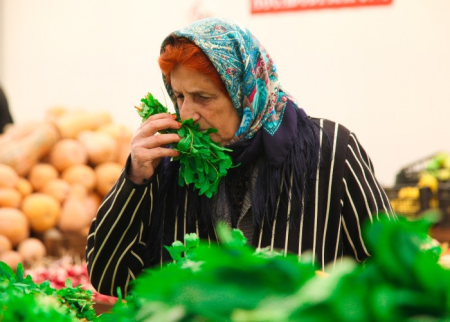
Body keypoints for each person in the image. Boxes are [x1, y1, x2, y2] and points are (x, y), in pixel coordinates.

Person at [86, 17, 396, 297]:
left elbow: (391, 267)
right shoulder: (168, 161)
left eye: (202, 97)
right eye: (179, 96)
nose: (187, 114)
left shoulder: (329, 149)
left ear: (245, 92)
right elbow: (112, 277)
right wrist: (136, 178)